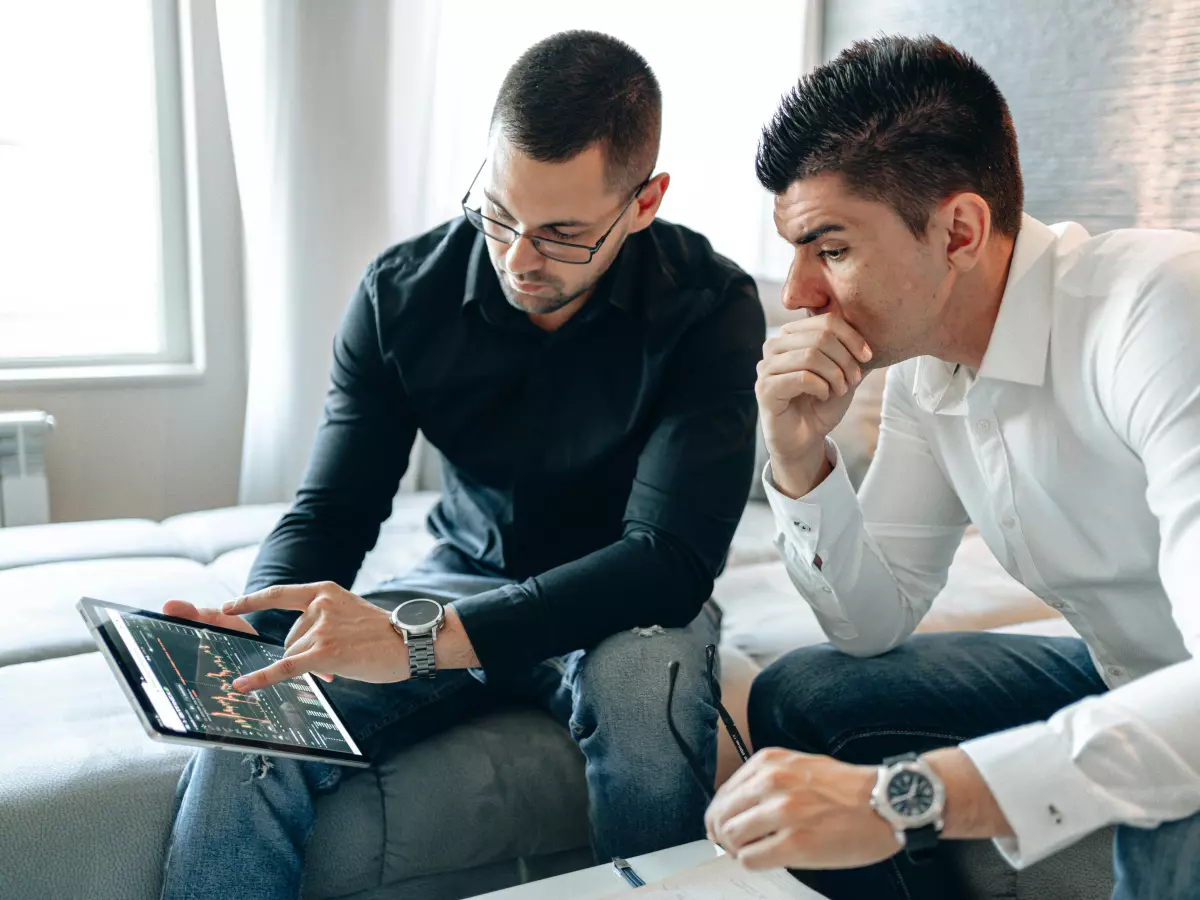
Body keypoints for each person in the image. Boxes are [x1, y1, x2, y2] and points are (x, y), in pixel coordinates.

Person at [159, 30, 765, 900]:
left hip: (624, 604)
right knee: (255, 721)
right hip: (460, 575)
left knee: (642, 695)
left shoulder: (712, 307)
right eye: (500, 212)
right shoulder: (402, 294)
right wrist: (252, 625)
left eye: (561, 235)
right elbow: (332, 510)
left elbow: (667, 563)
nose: (518, 257)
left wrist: (415, 642)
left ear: (644, 202)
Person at [704, 34, 1200, 900]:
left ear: (959, 229)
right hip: (1122, 668)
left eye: (831, 247)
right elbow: (872, 624)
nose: (798, 295)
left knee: (1171, 834)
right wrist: (799, 458)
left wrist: (904, 798)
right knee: (803, 696)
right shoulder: (928, 369)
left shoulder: (1157, 311)